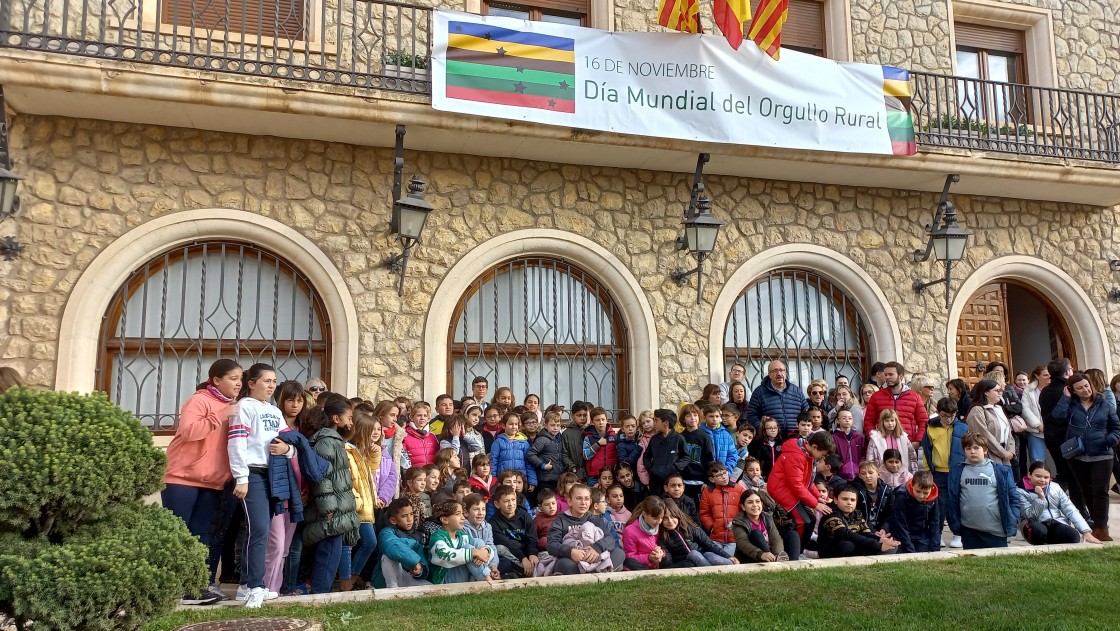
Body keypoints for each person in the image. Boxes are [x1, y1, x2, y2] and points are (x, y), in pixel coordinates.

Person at [162, 359, 241, 605]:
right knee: (177, 534)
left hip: (213, 483)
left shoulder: (236, 407)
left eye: (240, 379)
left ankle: (194, 588)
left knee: (200, 536)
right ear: (216, 380)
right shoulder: (199, 400)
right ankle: (166, 587)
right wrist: (222, 414)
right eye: (233, 378)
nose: (238, 383)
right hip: (181, 478)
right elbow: (189, 431)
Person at [227, 364, 291, 607]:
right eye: (266, 381)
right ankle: (256, 585)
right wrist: (241, 477)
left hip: (272, 474)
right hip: (252, 474)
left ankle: (245, 584)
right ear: (251, 383)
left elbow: (289, 440)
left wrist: (288, 449)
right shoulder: (244, 406)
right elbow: (236, 443)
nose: (271, 385)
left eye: (274, 381)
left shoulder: (275, 411)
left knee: (259, 530)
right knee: (260, 529)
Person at [302, 393, 360, 594]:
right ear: (336, 419)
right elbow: (322, 476)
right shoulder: (326, 442)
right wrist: (329, 508)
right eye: (349, 417)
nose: (351, 422)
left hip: (337, 508)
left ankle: (321, 592)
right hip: (331, 511)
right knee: (327, 556)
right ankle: (319, 594)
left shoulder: (334, 440)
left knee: (332, 555)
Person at [1052, 371, 1120, 541]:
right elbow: (1057, 417)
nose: (1085, 390)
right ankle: (1094, 525)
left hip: (1102, 454)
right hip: (1078, 455)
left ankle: (1102, 528)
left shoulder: (1104, 404)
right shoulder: (1071, 405)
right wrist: (1065, 397)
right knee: (1086, 491)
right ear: (1073, 390)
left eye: (1087, 386)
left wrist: (1108, 440)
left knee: (1100, 490)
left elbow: (1116, 427)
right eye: (1080, 388)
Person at [948, 432, 1019, 550]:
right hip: (969, 529)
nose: (972, 451)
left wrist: (1013, 517)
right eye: (968, 448)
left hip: (996, 529)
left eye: (976, 448)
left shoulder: (1001, 471)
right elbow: (952, 498)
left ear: (985, 450)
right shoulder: (957, 471)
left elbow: (1013, 497)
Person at [340, 404, 382, 591]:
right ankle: (346, 581)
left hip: (365, 506)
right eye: (371, 430)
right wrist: (357, 502)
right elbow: (349, 481)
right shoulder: (348, 451)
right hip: (356, 507)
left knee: (366, 543)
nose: (376, 433)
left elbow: (367, 476)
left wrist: (375, 455)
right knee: (352, 543)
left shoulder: (361, 452)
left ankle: (351, 577)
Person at [768, 431, 835, 544]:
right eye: (823, 455)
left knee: (811, 519)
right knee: (802, 521)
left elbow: (807, 481)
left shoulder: (807, 454)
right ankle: (795, 550)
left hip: (790, 489)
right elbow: (797, 485)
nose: (822, 458)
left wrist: (817, 496)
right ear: (814, 447)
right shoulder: (797, 456)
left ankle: (802, 548)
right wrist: (815, 504)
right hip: (781, 490)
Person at [1016, 462, 1100, 546]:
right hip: (1034, 524)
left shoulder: (1055, 487)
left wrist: (1085, 531)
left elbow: (1070, 509)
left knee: (1074, 537)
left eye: (1046, 477)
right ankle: (1041, 542)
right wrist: (1040, 498)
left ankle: (1048, 542)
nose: (1042, 480)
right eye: (1038, 476)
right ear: (1029, 475)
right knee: (1038, 531)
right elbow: (1030, 517)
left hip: (1056, 522)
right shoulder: (1020, 491)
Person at [1039, 358, 1084, 514]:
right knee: (1074, 478)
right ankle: (1079, 512)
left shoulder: (1045, 391)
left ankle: (1049, 504)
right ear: (1067, 372)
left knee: (1064, 474)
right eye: (1071, 368)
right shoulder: (1067, 391)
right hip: (1068, 439)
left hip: (1052, 438)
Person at [922, 397, 967, 548]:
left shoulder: (963, 428)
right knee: (938, 505)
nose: (948, 419)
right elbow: (926, 451)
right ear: (938, 413)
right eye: (944, 415)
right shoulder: (931, 428)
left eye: (952, 415)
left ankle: (957, 534)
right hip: (938, 472)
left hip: (957, 471)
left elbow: (967, 449)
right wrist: (928, 470)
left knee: (955, 503)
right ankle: (938, 533)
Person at [548, 484, 622, 574]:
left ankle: (592, 571)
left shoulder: (594, 518)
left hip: (595, 556)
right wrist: (570, 552)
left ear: (590, 501)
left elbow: (610, 539)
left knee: (619, 553)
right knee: (563, 564)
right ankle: (596, 572)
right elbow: (552, 544)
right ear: (569, 501)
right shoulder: (560, 520)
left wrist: (596, 548)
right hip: (573, 559)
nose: (583, 502)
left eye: (586, 499)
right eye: (579, 498)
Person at [428, 500, 500, 584]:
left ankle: (484, 579)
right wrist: (473, 553)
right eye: (458, 514)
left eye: (462, 513)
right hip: (446, 581)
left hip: (465, 578)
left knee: (478, 542)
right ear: (444, 520)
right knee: (469, 548)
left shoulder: (462, 536)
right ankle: (486, 580)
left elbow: (486, 553)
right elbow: (445, 556)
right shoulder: (437, 537)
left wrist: (486, 551)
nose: (463, 517)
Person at [817, 486, 900, 558]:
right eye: (845, 499)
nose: (849, 503)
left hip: (854, 545)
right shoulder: (830, 514)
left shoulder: (857, 513)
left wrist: (880, 539)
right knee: (848, 545)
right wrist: (877, 545)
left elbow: (866, 532)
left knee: (889, 543)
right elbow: (846, 534)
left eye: (853, 500)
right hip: (831, 551)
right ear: (835, 500)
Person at [863, 362, 928, 447]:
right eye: (885, 375)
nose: (887, 377)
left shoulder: (914, 397)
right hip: (883, 445)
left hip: (908, 444)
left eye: (891, 374)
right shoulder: (876, 397)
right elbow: (868, 421)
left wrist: (918, 441)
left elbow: (923, 421)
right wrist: (873, 439)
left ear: (901, 376)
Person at [374, 498, 430, 588]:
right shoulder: (386, 532)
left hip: (408, 577)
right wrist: (414, 562)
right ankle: (392, 589)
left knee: (431, 587)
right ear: (393, 520)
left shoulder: (418, 536)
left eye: (411, 514)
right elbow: (392, 546)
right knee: (387, 557)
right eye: (404, 516)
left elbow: (423, 563)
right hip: (386, 580)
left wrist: (419, 571)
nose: (409, 519)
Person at [488, 486, 540, 578]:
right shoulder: (494, 522)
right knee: (500, 548)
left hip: (527, 552)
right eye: (506, 501)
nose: (511, 504)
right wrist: (522, 558)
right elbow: (506, 543)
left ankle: (530, 570)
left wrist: (532, 554)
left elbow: (532, 537)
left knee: (545, 554)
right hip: (514, 556)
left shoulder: (524, 515)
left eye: (513, 500)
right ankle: (532, 571)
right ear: (497, 504)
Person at [746, 360, 809, 433]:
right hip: (771, 440)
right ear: (769, 375)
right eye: (775, 371)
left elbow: (806, 412)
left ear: (785, 373)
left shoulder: (796, 391)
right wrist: (764, 429)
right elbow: (751, 415)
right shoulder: (759, 392)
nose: (779, 374)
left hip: (795, 438)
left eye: (781, 370)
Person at [965, 380, 1016, 466]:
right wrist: (1003, 453)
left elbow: (1008, 432)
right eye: (997, 390)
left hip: (1006, 457)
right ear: (986, 393)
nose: (1000, 393)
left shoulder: (999, 408)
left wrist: (1011, 451)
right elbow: (983, 435)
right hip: (989, 457)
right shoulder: (977, 410)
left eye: (1000, 390)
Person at [889, 470, 940, 553]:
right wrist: (909, 549)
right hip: (903, 535)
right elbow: (900, 523)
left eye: (926, 493)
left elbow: (935, 522)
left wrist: (935, 547)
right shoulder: (901, 496)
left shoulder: (933, 497)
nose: (921, 496)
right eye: (918, 491)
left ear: (932, 488)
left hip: (922, 535)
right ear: (912, 485)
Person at [699, 462, 743, 558]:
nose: (724, 477)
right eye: (719, 475)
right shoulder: (707, 492)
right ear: (711, 479)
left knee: (724, 559)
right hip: (715, 536)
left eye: (725, 473)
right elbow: (704, 513)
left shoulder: (739, 489)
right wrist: (711, 526)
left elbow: (744, 511)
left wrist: (736, 524)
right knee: (710, 556)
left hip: (733, 537)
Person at [730, 489, 787, 563]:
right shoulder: (738, 521)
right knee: (756, 533)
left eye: (757, 501)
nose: (755, 505)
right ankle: (772, 561)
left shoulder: (767, 517)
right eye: (750, 502)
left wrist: (777, 554)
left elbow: (776, 539)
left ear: (762, 504)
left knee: (792, 535)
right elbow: (743, 543)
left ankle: (792, 565)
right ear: (743, 506)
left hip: (769, 553)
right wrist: (761, 554)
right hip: (751, 556)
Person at [643, 408, 691, 494]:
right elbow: (646, 456)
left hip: (672, 481)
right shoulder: (654, 439)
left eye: (656, 420)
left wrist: (673, 468)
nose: (654, 423)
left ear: (666, 423)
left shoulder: (679, 438)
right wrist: (652, 469)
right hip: (655, 481)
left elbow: (686, 457)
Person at [490, 411, 537, 491]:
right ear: (503, 425)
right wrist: (493, 480)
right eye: (511, 424)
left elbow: (529, 463)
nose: (514, 426)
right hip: (505, 480)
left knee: (519, 501)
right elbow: (493, 461)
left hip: (520, 480)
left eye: (516, 424)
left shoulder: (524, 442)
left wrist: (532, 480)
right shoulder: (498, 442)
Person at [622, 496, 668, 570]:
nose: (659, 521)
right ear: (644, 514)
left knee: (667, 558)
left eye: (661, 517)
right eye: (655, 518)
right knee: (629, 562)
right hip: (641, 563)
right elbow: (630, 555)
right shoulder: (630, 530)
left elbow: (662, 547)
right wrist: (648, 558)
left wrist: (660, 553)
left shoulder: (659, 526)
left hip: (656, 561)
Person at [866, 409, 918, 474]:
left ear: (896, 421)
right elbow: (870, 459)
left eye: (892, 420)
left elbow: (912, 456)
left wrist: (913, 473)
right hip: (882, 474)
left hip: (902, 474)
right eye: (887, 421)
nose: (890, 423)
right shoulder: (875, 438)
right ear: (882, 422)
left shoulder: (903, 437)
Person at [527, 410, 564, 496]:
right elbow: (530, 454)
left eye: (558, 425)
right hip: (545, 479)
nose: (555, 428)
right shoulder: (542, 439)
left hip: (558, 479)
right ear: (545, 426)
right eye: (552, 425)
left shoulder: (560, 439)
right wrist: (542, 465)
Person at [1020, 365, 1050, 467]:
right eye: (1045, 375)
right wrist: (1038, 425)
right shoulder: (1029, 390)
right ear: (1037, 376)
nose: (1049, 376)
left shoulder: (1056, 388)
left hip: (1054, 430)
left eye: (1050, 374)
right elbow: (1025, 409)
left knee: (1061, 458)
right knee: (1037, 460)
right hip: (1036, 431)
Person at [852, 460, 892, 534]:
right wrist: (872, 531)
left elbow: (891, 512)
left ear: (878, 474)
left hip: (882, 528)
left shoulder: (887, 490)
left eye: (870, 473)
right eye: (863, 474)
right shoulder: (855, 491)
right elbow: (856, 514)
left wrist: (885, 528)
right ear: (860, 476)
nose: (867, 476)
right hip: (862, 528)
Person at [582, 407, 618, 485]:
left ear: (607, 420)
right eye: (597, 420)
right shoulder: (588, 437)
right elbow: (586, 455)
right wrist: (597, 444)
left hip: (611, 476)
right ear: (592, 421)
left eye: (603, 419)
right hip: (594, 477)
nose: (601, 422)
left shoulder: (614, 436)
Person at [562, 401, 592, 481]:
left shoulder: (591, 431)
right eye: (579, 415)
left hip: (590, 473)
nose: (582, 418)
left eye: (585, 415)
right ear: (572, 415)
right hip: (573, 474)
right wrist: (572, 467)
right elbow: (564, 455)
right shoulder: (566, 433)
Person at [831, 409, 864, 482]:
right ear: (837, 420)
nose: (847, 420)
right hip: (840, 476)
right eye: (844, 418)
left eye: (850, 418)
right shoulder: (834, 438)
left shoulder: (859, 437)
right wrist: (841, 467)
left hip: (858, 476)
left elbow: (863, 454)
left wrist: (860, 467)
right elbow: (832, 456)